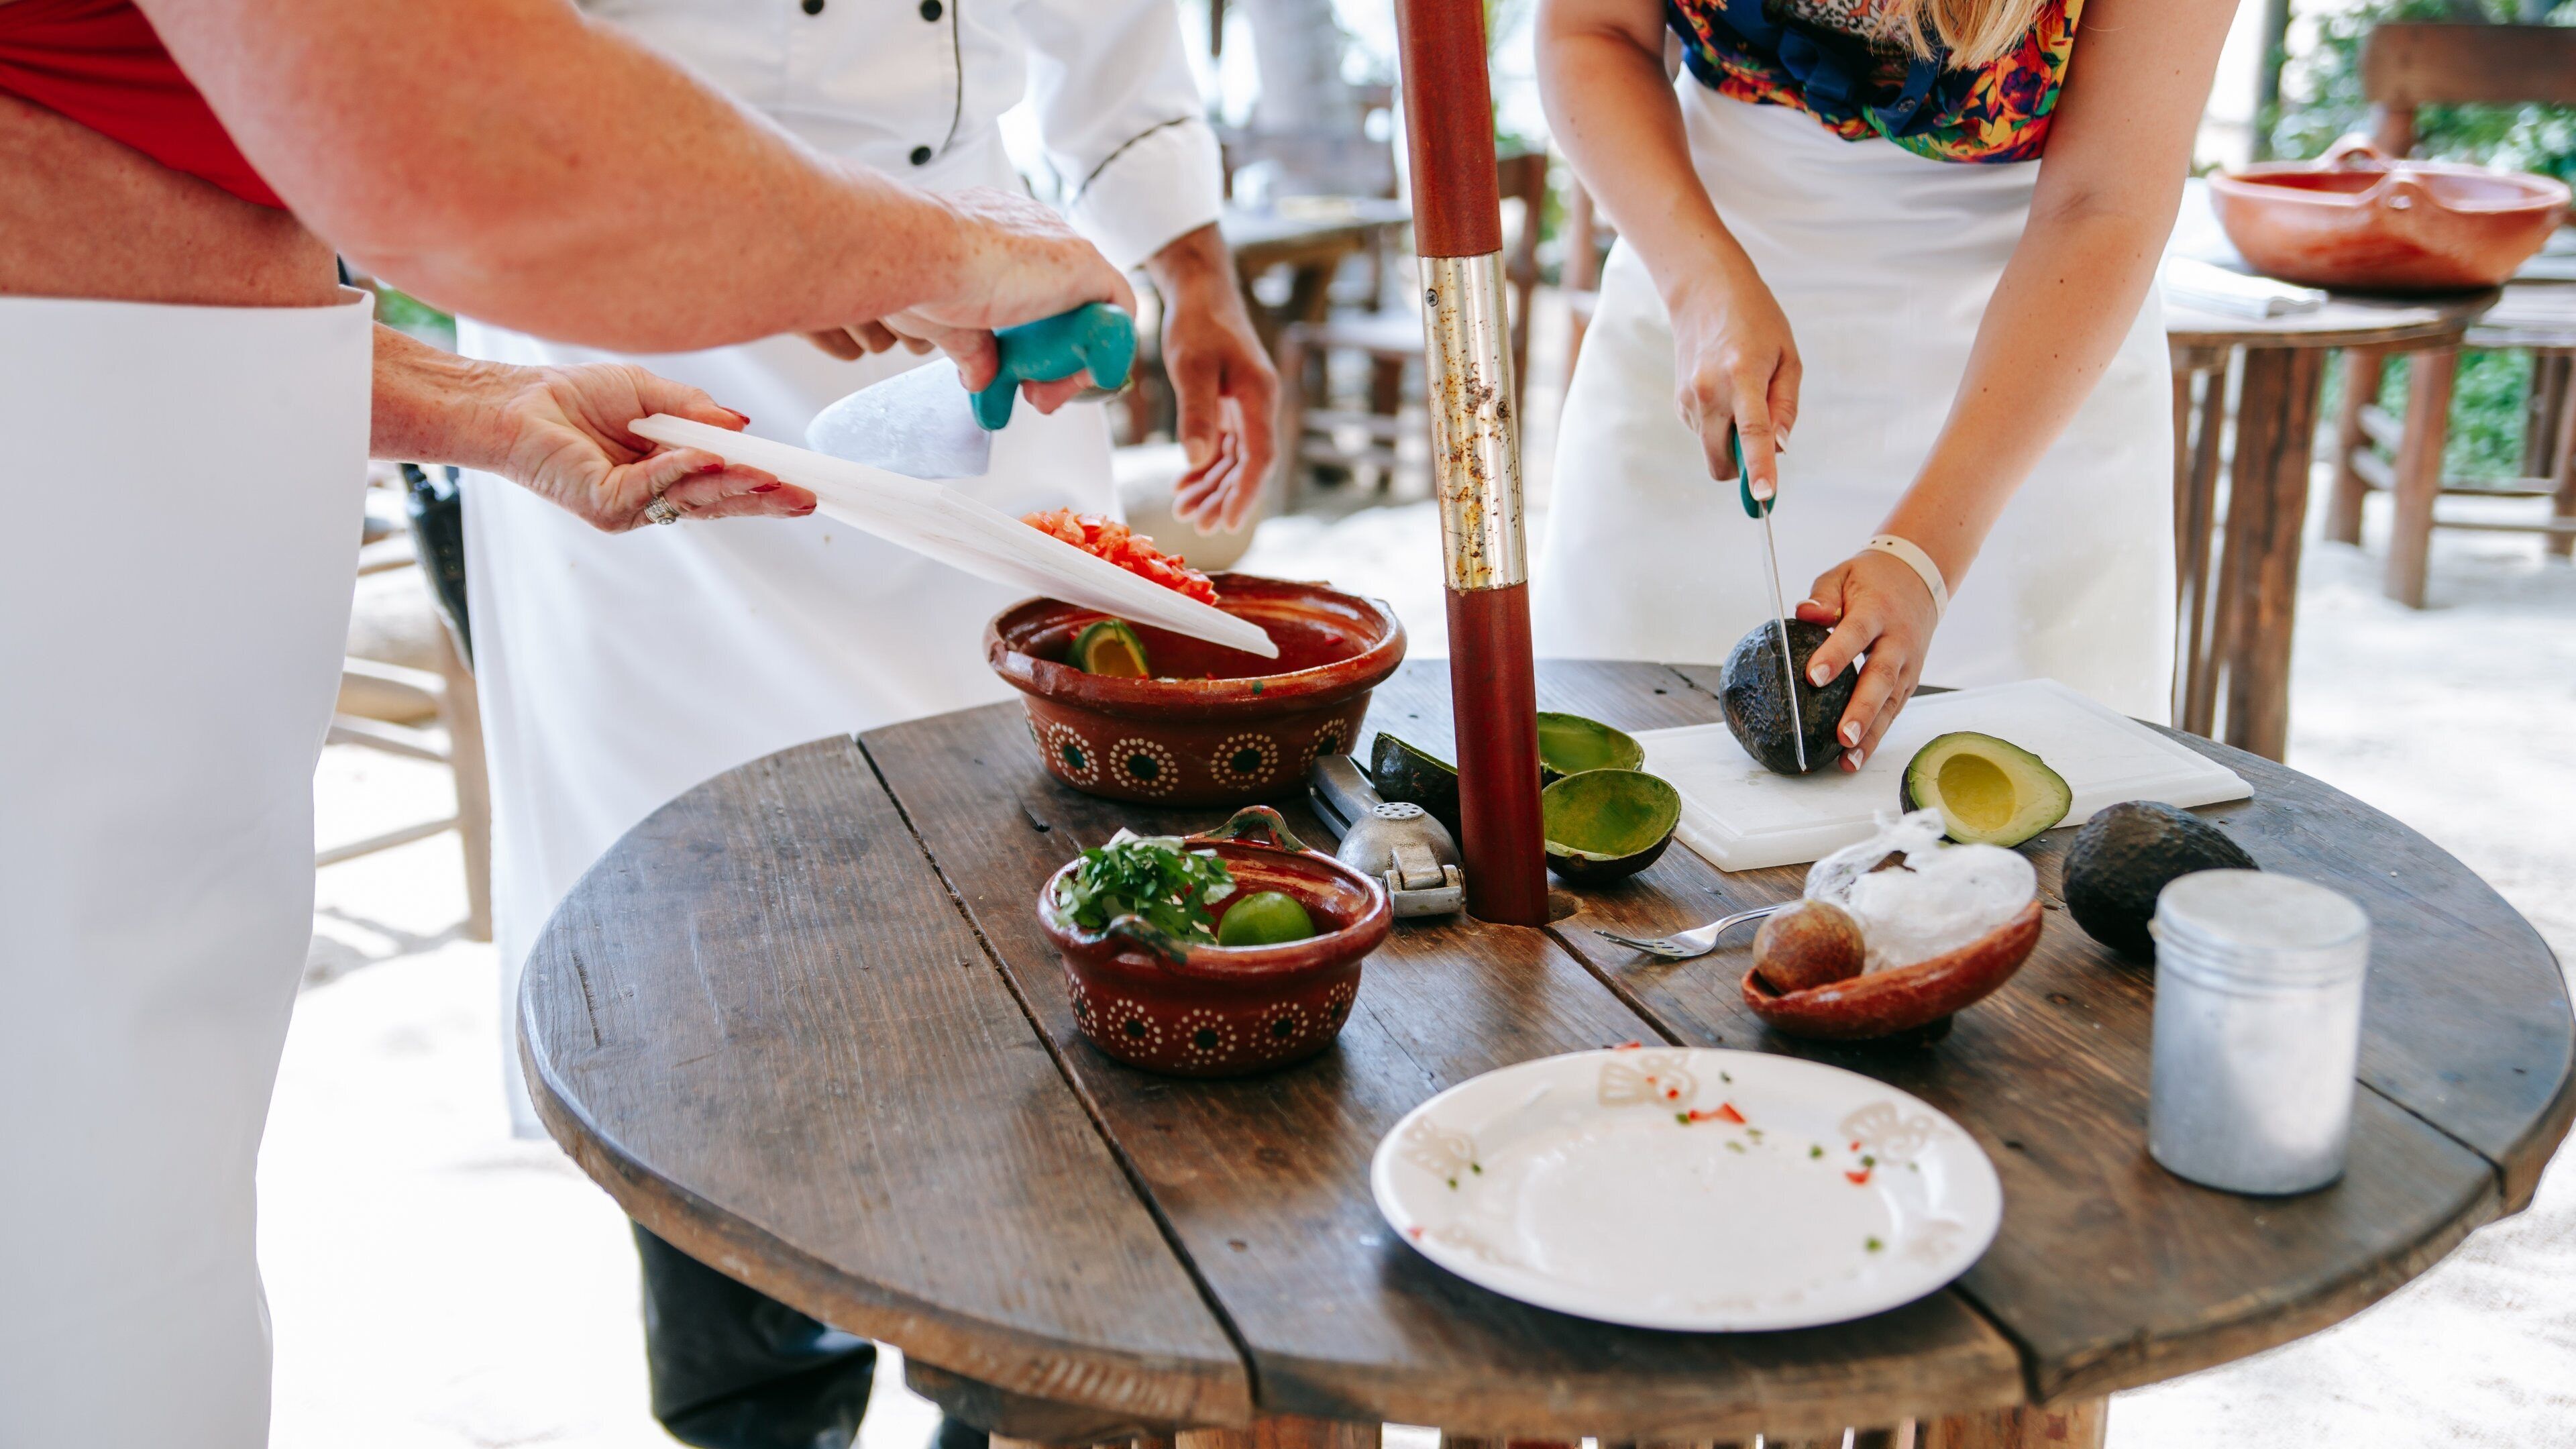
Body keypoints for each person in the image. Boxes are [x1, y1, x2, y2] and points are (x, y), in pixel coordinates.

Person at [0, 0, 1130, 1443]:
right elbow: (430, 122)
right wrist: (942, 248)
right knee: (92, 1320)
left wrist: (473, 399)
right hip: (68, 546)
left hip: (148, 528)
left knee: (141, 1293)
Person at [448, 6, 1272, 1442]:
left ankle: (1016, 1386)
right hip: (632, 323)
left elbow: (1113, 27)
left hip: (990, 323)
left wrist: (1192, 266)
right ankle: (760, 1400)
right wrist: (849, 244)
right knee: (707, 964)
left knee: (1028, 921)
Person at [1531, 0, 2235, 764]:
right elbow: (1589, 33)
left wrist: (1926, 556)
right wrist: (1698, 282)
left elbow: (2105, 199)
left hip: (2038, 345)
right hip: (1697, 261)